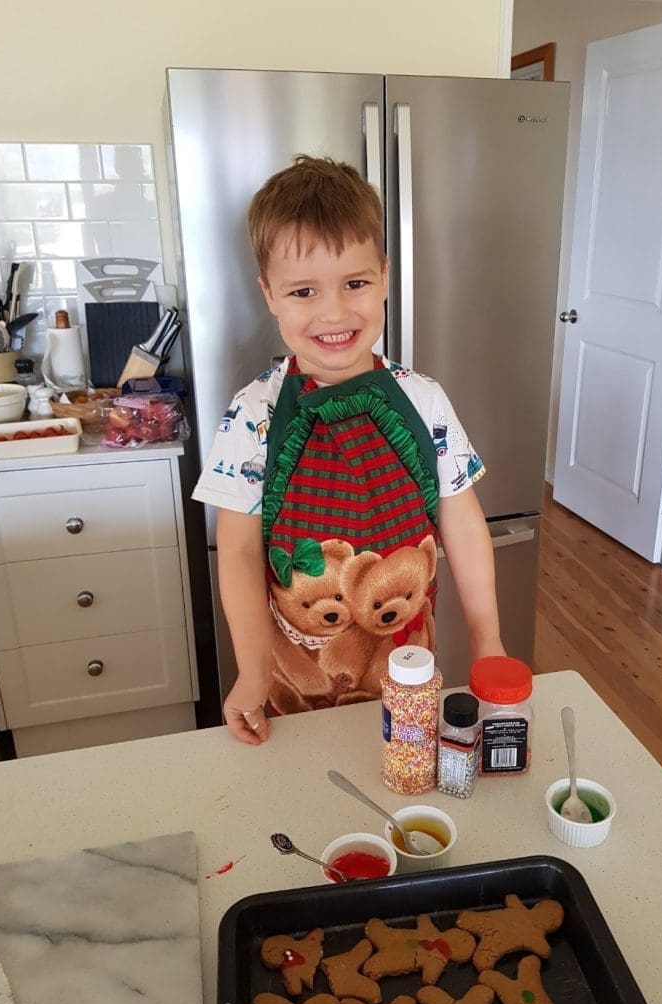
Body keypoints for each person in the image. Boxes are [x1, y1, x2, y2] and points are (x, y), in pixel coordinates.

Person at [192, 155, 506, 745]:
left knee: (403, 782)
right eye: (304, 291)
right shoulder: (253, 413)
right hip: (292, 686)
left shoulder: (424, 399)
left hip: (407, 674)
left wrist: (487, 637)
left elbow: (462, 525)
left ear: (384, 277)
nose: (335, 313)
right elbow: (236, 549)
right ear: (269, 295)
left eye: (355, 283)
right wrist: (253, 667)